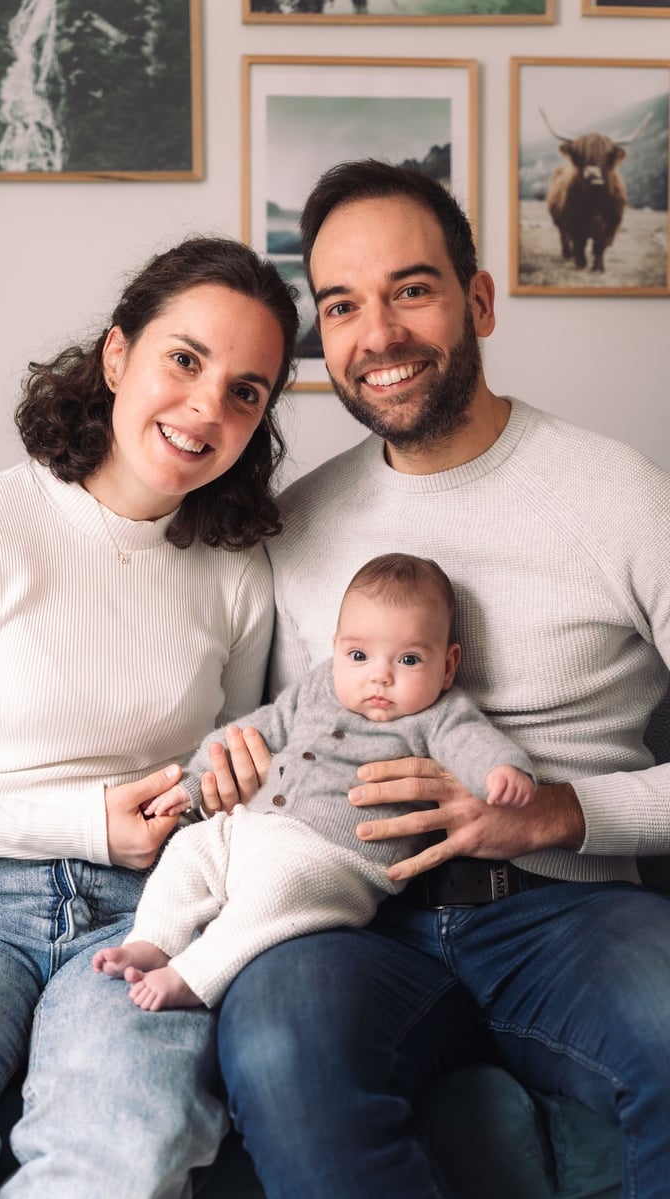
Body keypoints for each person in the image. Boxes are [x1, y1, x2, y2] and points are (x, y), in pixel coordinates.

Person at [205, 160, 670, 1199]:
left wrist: (562, 811)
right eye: (341, 305)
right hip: (351, 916)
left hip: (570, 912)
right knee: (278, 1050)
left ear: (480, 301)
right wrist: (234, 765)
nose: (377, 334)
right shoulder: (296, 523)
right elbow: (269, 735)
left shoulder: (625, 496)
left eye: (411, 289)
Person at [0, 236, 298, 1199]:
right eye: (184, 359)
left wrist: (228, 792)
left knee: (130, 1149)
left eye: (245, 391)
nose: (207, 407)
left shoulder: (238, 571)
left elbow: (230, 788)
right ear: (117, 355)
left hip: (144, 916)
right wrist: (84, 822)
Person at [92, 552, 535, 1012]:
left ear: (447, 666)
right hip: (253, 828)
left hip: (336, 860)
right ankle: (154, 940)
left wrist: (500, 770)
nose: (379, 676)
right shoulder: (318, 687)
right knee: (190, 848)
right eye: (358, 656)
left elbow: (471, 743)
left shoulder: (438, 714)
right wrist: (191, 785)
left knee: (271, 899)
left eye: (408, 659)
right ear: (336, 648)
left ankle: (195, 975)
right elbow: (255, 729)